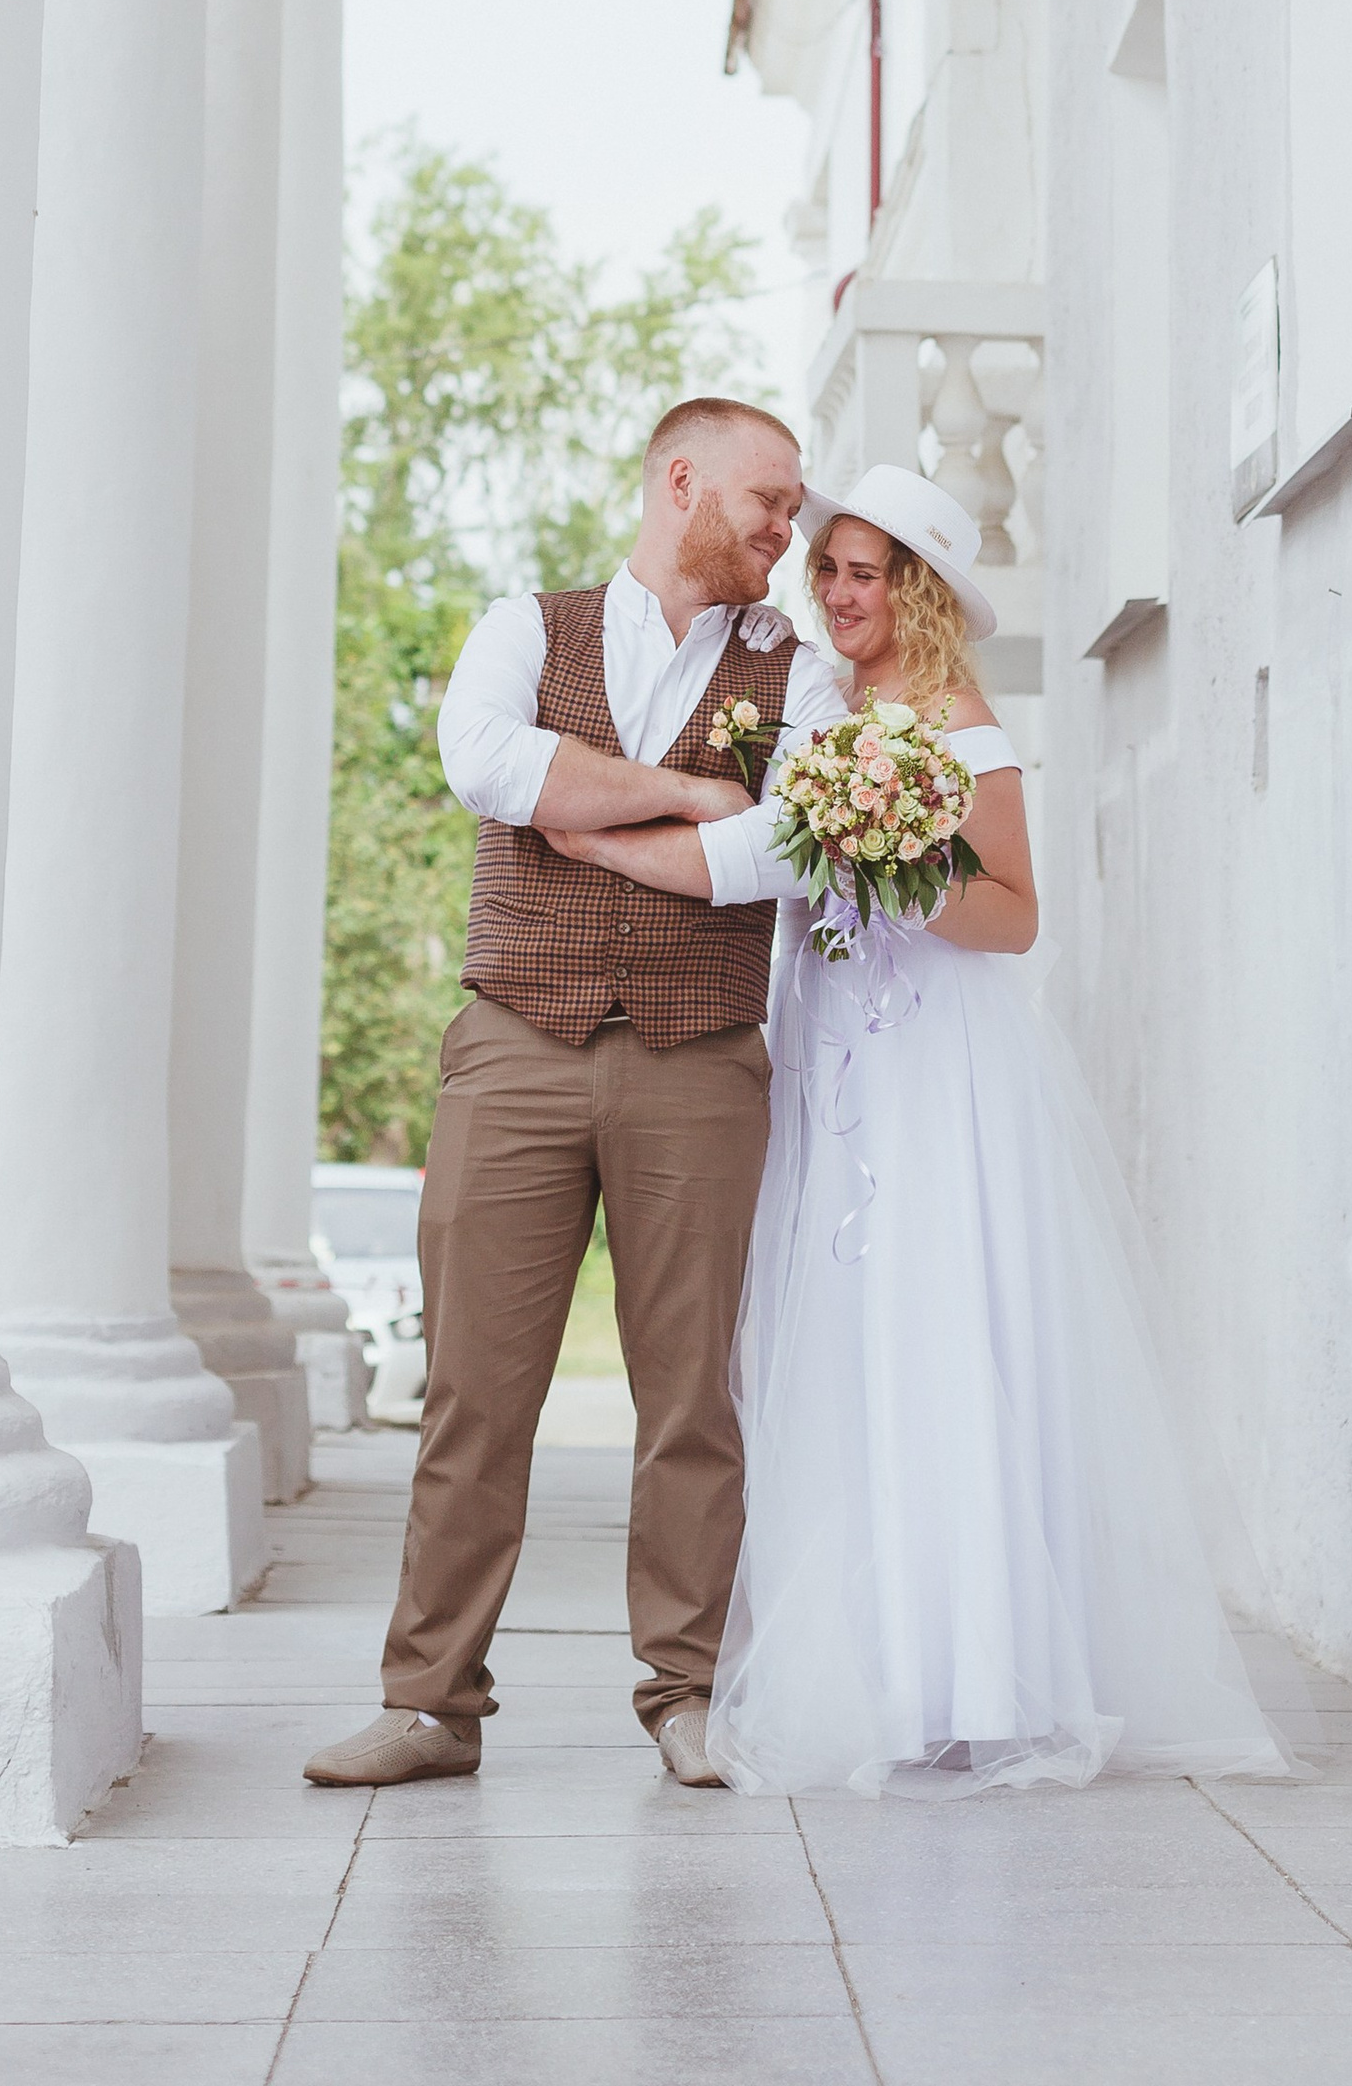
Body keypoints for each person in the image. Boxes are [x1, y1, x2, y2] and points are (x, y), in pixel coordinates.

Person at [544, 462, 1285, 1798]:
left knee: (933, 1327)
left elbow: (1015, 914)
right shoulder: (819, 708)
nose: (836, 592)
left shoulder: (961, 725)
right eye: (827, 567)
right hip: (829, 1048)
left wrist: (897, 861)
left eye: (864, 572)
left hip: (936, 1067)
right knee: (831, 1340)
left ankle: (971, 1670)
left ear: (919, 590)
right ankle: (862, 1666)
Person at [302, 397, 847, 1795]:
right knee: (473, 1392)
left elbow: (791, 843)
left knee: (695, 1398)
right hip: (515, 1047)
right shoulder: (525, 628)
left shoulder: (801, 674)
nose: (788, 532)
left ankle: (689, 1692)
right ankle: (431, 1702)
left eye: (795, 509)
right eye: (770, 500)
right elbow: (484, 763)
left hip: (702, 1059)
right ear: (682, 481)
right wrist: (689, 797)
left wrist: (590, 814)